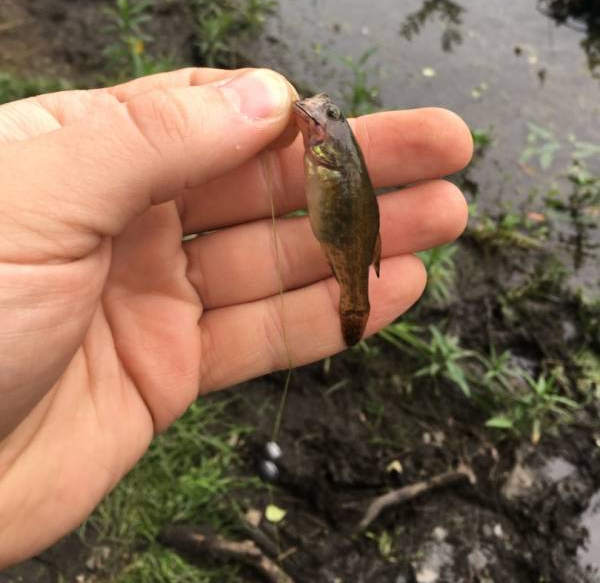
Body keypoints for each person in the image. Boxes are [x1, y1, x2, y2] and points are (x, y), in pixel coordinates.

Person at [0, 67, 472, 568]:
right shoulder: (321, 155)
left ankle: (354, 300)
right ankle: (354, 299)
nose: (319, 116)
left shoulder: (329, 160)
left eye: (329, 116)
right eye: (325, 115)